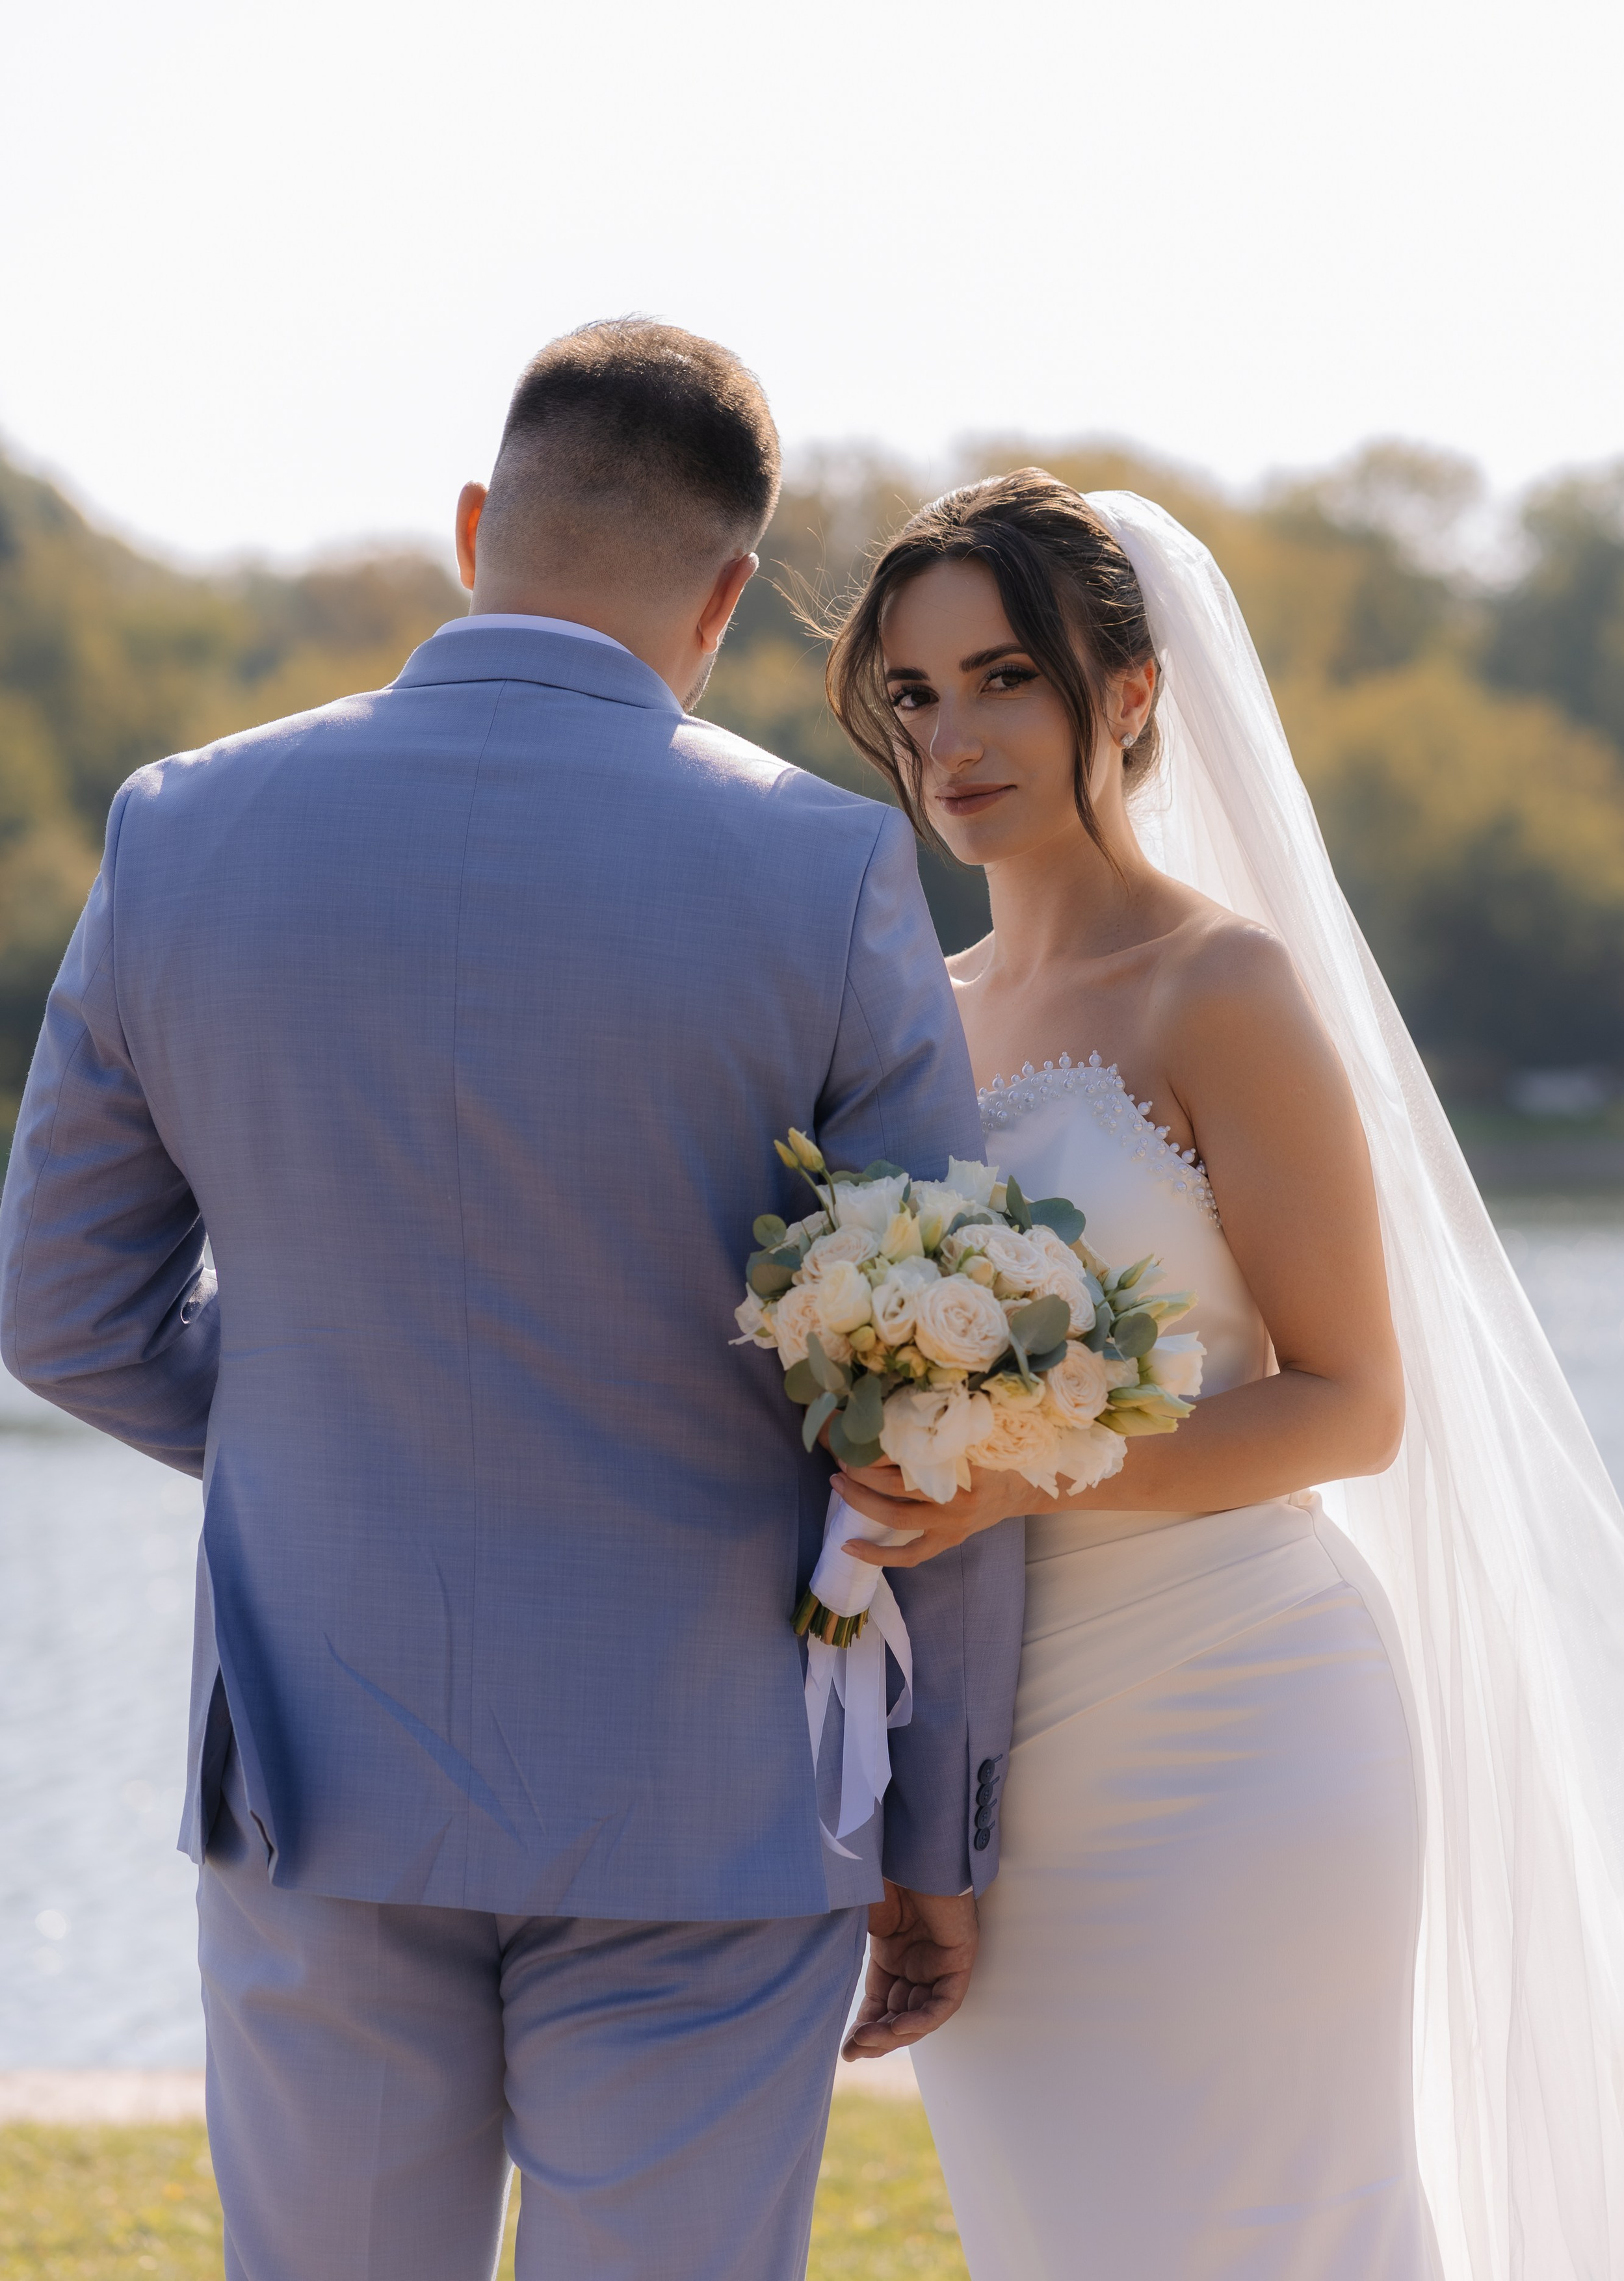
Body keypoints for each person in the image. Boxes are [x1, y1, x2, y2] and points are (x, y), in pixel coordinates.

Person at [0, 320, 1023, 2281]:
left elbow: (63, 1312)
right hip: (707, 1789)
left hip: (319, 1752)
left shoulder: (181, 827)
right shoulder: (828, 870)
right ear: (729, 595)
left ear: (477, 526)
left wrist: (328, 1428)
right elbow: (930, 1389)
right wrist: (940, 1830)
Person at [823, 473, 1624, 2280]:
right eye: (914, 694)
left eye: (1003, 680)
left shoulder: (1222, 987)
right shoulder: (916, 1019)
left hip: (1240, 1725)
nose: (950, 739)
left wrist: (1023, 1473)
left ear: (1126, 695)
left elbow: (1352, 1403)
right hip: (990, 1776)